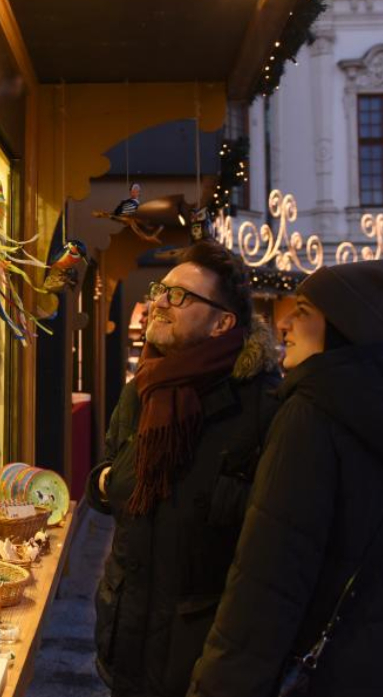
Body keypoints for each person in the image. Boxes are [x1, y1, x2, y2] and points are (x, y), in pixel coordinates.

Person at [190, 259, 383, 697]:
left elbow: (268, 579)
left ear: (341, 325)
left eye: (304, 312)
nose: (285, 324)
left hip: (333, 673)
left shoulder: (311, 413)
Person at [86, 240, 281, 697]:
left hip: (202, 655)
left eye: (179, 296)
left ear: (223, 323)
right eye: (159, 290)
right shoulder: (144, 388)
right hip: (127, 634)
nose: (158, 302)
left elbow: (274, 545)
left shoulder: (262, 403)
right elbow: (107, 479)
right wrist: (106, 482)